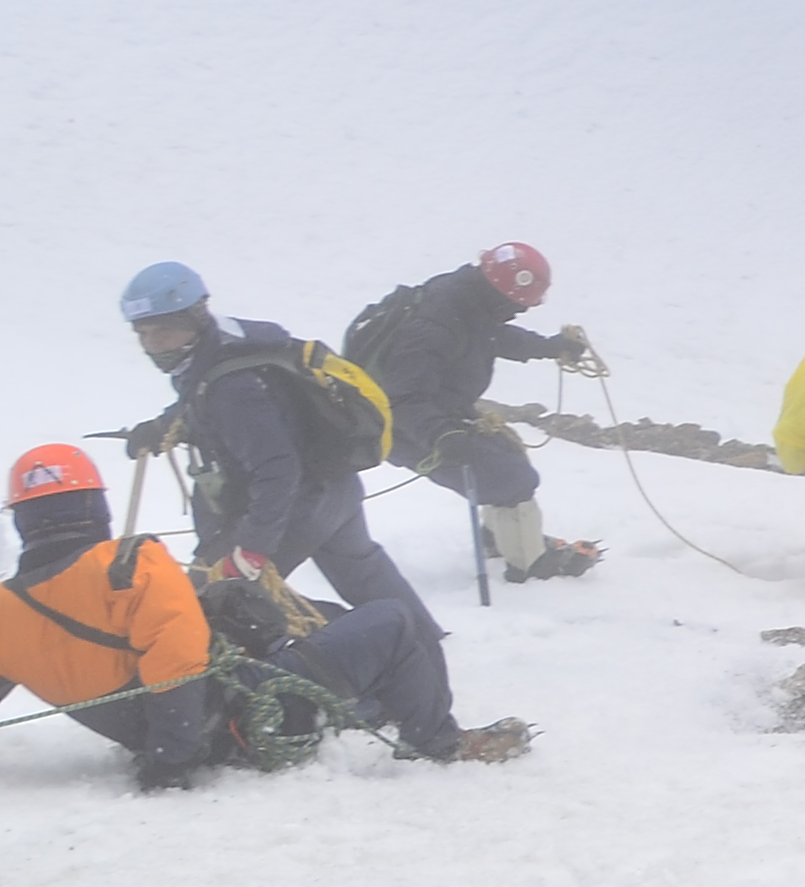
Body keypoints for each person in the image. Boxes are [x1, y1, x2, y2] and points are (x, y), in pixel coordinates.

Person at [4, 443, 518, 774]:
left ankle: (367, 709)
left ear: (22, 521)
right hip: (242, 719)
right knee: (393, 621)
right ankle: (444, 744)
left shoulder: (7, 609)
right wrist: (173, 760)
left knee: (319, 619)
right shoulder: (132, 562)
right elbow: (176, 664)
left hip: (198, 725)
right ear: (97, 507)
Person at [115, 259, 426, 623]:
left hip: (294, 506)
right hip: (334, 485)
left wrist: (252, 549)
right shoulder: (225, 346)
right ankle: (419, 641)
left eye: (161, 332)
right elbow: (207, 397)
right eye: (143, 334)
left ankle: (346, 645)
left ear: (193, 319)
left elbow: (277, 468)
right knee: (363, 572)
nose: (152, 345)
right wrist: (164, 425)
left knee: (216, 604)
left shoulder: (231, 388)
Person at [355, 241, 602, 583]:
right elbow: (404, 397)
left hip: (434, 415)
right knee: (512, 478)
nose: (521, 311)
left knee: (504, 456)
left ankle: (500, 538)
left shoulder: (465, 300)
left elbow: (489, 336)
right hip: (404, 426)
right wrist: (441, 433)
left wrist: (547, 348)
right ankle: (530, 565)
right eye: (519, 304)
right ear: (502, 294)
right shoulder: (435, 327)